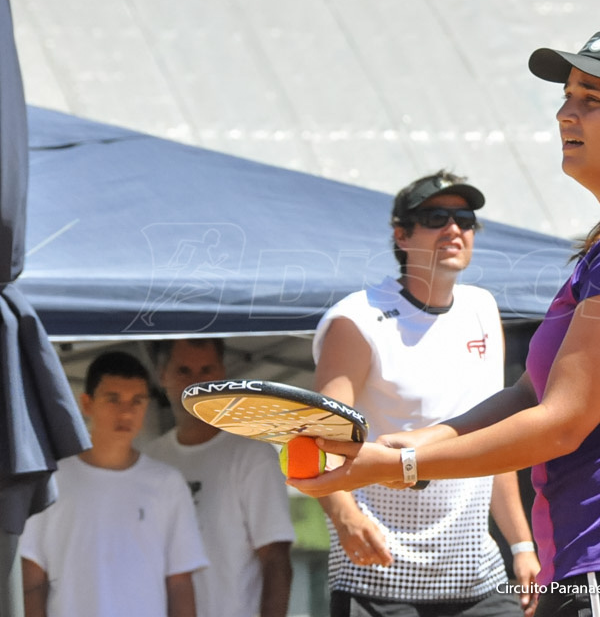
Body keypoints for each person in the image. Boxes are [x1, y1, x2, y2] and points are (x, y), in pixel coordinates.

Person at [290, 31, 600, 617]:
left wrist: (403, 465)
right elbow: (531, 393)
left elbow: (561, 425)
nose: (565, 113)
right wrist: (423, 441)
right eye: (567, 96)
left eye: (592, 97)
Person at [311, 170, 541, 617]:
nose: (454, 229)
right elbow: (319, 442)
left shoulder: (481, 308)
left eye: (465, 219)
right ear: (402, 234)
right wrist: (344, 517)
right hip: (379, 575)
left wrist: (521, 543)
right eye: (436, 217)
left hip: (477, 576)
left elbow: (491, 441)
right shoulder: (356, 320)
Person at [20, 351, 207, 617]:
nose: (126, 411)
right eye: (113, 399)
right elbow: (33, 580)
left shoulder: (167, 483)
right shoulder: (51, 480)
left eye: (137, 400)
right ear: (87, 403)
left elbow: (179, 582)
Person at [145, 338, 295, 617]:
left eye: (206, 370)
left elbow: (276, 560)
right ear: (161, 375)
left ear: (222, 373)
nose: (196, 383)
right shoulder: (149, 459)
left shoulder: (253, 455)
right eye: (184, 371)